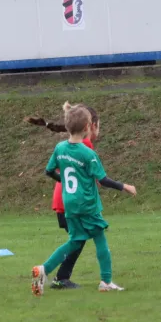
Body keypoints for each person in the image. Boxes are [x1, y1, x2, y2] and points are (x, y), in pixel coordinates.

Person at [31, 104, 136, 296]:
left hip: (69, 203)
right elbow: (103, 180)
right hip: (87, 203)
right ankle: (106, 281)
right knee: (99, 237)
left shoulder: (60, 147)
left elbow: (48, 171)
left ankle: (44, 270)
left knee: (74, 241)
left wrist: (62, 179)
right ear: (88, 126)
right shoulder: (88, 154)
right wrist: (124, 187)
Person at [25, 102, 99, 289]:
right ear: (90, 126)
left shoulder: (68, 144)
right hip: (73, 202)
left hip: (63, 198)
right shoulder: (86, 145)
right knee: (78, 240)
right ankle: (50, 272)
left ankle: (58, 276)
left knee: (78, 240)